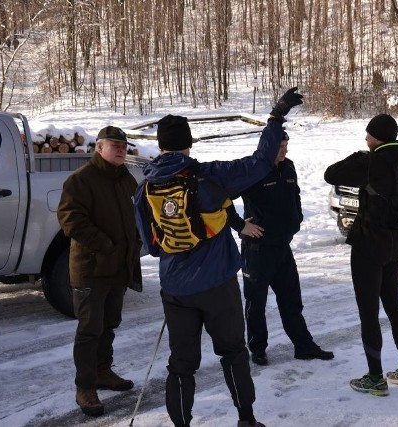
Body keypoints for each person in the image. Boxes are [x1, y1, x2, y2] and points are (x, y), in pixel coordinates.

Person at [133, 88, 303, 427]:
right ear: (188, 143)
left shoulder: (145, 188)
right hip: (218, 285)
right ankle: (247, 419)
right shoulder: (209, 175)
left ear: (160, 145)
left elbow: (151, 246)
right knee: (233, 353)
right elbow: (260, 162)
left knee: (181, 364)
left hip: (176, 290)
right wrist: (275, 117)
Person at [323, 114, 398, 396]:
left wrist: (358, 156)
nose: (365, 140)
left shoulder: (369, 163)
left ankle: (375, 378)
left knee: (369, 313)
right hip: (396, 245)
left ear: (377, 138)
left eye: (368, 135)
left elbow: (330, 174)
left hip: (368, 248)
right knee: (394, 307)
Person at [57, 126, 142, 417]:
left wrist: (135, 244)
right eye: (114, 145)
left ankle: (103, 371)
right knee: (89, 330)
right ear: (98, 147)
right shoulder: (81, 180)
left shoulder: (126, 180)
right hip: (91, 269)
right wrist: (107, 245)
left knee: (109, 324)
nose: (120, 149)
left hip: (118, 267)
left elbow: (137, 216)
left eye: (123, 145)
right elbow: (71, 221)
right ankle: (85, 386)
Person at [239, 131, 334, 366]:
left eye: (286, 145)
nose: (285, 150)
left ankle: (303, 346)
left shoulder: (288, 167)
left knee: (292, 300)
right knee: (256, 303)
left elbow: (296, 196)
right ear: (268, 146)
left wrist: (296, 218)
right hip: (258, 250)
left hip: (282, 246)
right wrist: (239, 225)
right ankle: (258, 348)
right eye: (280, 146)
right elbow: (221, 196)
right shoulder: (253, 169)